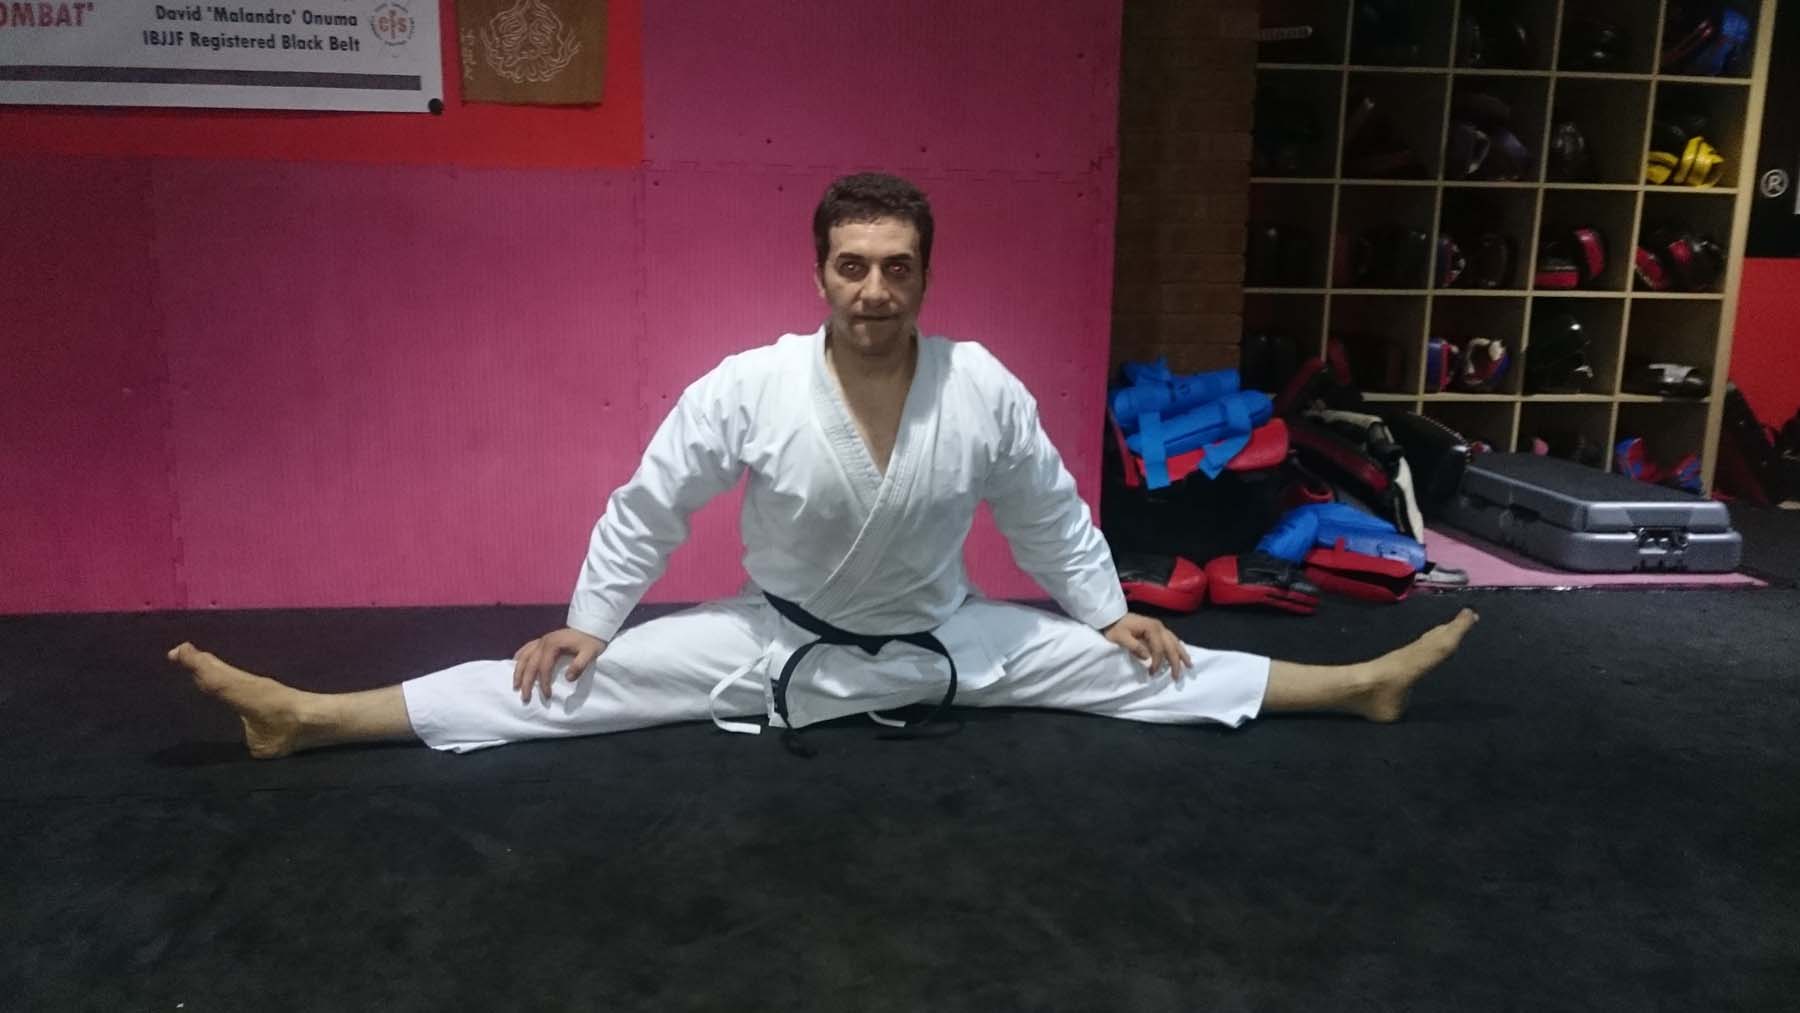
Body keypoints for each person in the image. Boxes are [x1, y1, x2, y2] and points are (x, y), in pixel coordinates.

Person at [168, 173, 1476, 760]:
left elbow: (1048, 512)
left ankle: (1354, 684)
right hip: (770, 634)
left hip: (947, 631)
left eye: (897, 267)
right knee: (561, 684)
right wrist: (590, 620)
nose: (874, 288)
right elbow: (649, 505)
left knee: (1137, 667)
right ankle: (313, 716)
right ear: (819, 272)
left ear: (926, 275)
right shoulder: (748, 384)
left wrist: (1100, 608)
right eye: (853, 265)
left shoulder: (982, 385)